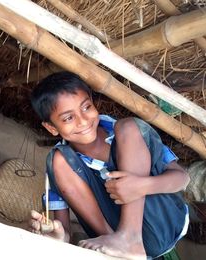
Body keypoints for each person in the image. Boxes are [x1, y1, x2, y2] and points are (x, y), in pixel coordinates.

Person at [29, 71, 190, 259]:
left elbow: (183, 178)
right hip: (111, 243)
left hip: (165, 223)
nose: (83, 121)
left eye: (86, 107)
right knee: (57, 160)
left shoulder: (127, 133)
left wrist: (140, 186)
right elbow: (63, 230)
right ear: (51, 128)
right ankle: (118, 243)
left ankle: (129, 236)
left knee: (129, 127)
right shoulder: (61, 166)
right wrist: (58, 237)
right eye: (68, 118)